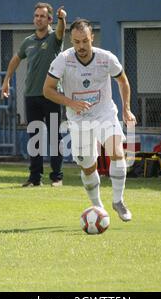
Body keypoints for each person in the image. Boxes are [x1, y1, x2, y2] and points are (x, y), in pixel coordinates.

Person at [43, 19, 137, 222]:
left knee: (117, 151)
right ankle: (97, 206)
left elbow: (123, 81)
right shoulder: (63, 59)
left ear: (92, 38)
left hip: (104, 113)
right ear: (71, 40)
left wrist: (126, 109)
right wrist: (71, 103)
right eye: (77, 42)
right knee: (88, 165)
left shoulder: (106, 58)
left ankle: (118, 201)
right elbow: (47, 90)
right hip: (78, 119)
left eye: (85, 41)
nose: (81, 46)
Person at [1, 2, 66, 187]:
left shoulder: (55, 38)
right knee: (35, 138)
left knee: (54, 137)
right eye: (36, 16)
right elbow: (15, 59)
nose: (38, 19)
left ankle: (57, 178)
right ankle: (35, 179)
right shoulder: (27, 41)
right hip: (31, 95)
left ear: (49, 19)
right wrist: (6, 80)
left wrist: (63, 18)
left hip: (52, 95)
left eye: (42, 16)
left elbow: (61, 30)